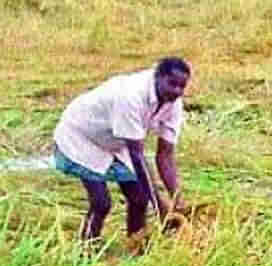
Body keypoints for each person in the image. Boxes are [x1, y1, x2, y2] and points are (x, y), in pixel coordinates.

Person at [52, 57, 189, 239]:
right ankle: (85, 253)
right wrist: (159, 206)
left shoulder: (173, 103)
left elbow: (165, 155)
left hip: (116, 140)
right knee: (101, 203)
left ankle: (136, 247)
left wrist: (177, 199)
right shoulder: (130, 96)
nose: (176, 91)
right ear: (158, 76)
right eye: (172, 84)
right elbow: (137, 156)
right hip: (82, 137)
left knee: (139, 198)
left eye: (182, 87)